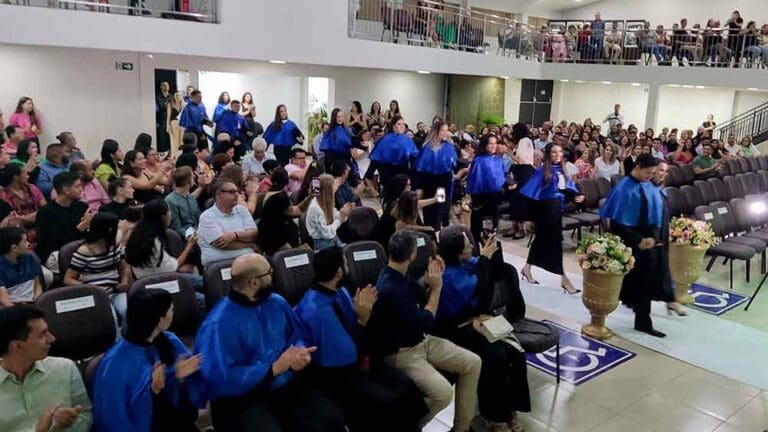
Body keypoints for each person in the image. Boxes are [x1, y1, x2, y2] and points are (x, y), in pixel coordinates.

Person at [192, 253, 346, 432]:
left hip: (286, 381)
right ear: (254, 282)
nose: (273, 275)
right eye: (269, 272)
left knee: (330, 420)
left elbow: (297, 334)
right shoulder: (218, 323)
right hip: (245, 396)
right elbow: (220, 377)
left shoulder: (277, 302)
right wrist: (272, 369)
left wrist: (299, 353)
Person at [294, 247, 426, 432]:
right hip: (336, 374)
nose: (349, 266)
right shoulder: (313, 310)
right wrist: (363, 319)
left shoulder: (339, 291)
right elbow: (344, 352)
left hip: (358, 358)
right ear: (339, 272)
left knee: (407, 387)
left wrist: (363, 315)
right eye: (346, 263)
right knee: (387, 402)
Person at [366, 230, 481, 432]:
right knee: (443, 394)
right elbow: (425, 321)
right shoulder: (391, 288)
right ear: (412, 255)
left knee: (473, 362)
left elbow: (418, 294)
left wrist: (431, 279)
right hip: (403, 353)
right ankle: (409, 425)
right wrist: (437, 289)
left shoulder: (396, 275)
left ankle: (461, 429)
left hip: (422, 341)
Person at [436, 227, 531, 432]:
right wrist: (485, 260)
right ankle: (494, 416)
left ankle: (510, 409)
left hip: (480, 321)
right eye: (467, 245)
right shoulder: (448, 274)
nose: (472, 246)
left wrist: (492, 252)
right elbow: (477, 287)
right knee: (495, 357)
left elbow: (491, 272)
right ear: (457, 253)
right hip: (458, 330)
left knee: (515, 351)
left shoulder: (467, 262)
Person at [92, 289, 202, 432]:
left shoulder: (170, 341)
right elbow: (112, 417)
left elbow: (184, 398)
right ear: (160, 319)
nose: (173, 313)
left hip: (173, 420)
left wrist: (178, 379)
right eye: (171, 310)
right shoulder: (115, 362)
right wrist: (154, 391)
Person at [600, 154, 667, 337]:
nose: (650, 176)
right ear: (637, 167)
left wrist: (652, 237)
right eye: (647, 173)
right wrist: (638, 240)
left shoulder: (647, 185)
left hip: (646, 241)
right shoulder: (623, 188)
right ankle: (599, 318)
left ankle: (643, 321)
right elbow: (618, 221)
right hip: (628, 241)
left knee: (645, 282)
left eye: (652, 173)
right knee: (621, 284)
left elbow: (655, 214)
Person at [0, 305, 92, 431]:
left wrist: (63, 426)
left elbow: (85, 416)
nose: (52, 338)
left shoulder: (65, 368)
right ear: (18, 346)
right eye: (42, 335)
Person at [520, 143, 584, 294]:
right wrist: (528, 218)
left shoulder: (562, 170)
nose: (557, 155)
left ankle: (527, 268)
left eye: (559, 151)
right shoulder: (542, 171)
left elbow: (566, 190)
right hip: (545, 211)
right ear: (548, 154)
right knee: (555, 244)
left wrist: (578, 197)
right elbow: (529, 195)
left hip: (556, 210)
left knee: (541, 241)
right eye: (554, 152)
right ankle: (564, 279)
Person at [63, 212, 131, 319]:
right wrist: (94, 289)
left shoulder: (114, 246)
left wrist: (124, 282)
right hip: (94, 293)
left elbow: (124, 268)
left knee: (129, 311)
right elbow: (68, 279)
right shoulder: (84, 251)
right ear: (110, 230)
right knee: (110, 317)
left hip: (115, 291)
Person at [124, 200, 203, 291]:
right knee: (205, 290)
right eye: (169, 211)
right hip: (161, 283)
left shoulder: (138, 233)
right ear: (163, 216)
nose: (170, 214)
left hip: (150, 280)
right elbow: (173, 267)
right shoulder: (153, 240)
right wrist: (189, 245)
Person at [649, 161, 687, 317]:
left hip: (661, 233)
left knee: (663, 266)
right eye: (661, 170)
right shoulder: (646, 189)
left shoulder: (661, 190)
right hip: (650, 235)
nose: (664, 174)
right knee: (649, 269)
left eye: (666, 171)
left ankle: (669, 300)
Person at [197, 179, 257, 266]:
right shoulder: (207, 217)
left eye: (237, 191)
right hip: (220, 264)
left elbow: (254, 234)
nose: (237, 195)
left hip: (247, 259)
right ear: (219, 194)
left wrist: (235, 235)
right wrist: (249, 244)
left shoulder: (242, 210)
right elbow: (223, 244)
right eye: (232, 192)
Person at [35, 172, 91, 264]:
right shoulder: (46, 213)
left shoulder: (82, 207)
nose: (81, 189)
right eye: (77, 186)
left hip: (81, 251)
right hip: (56, 255)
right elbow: (53, 243)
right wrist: (79, 228)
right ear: (66, 190)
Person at [413, 121, 457, 232]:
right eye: (443, 130)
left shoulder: (449, 147)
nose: (445, 133)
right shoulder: (427, 148)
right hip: (429, 184)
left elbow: (453, 166)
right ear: (436, 132)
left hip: (444, 184)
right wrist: (420, 188)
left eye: (447, 130)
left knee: (440, 210)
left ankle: (438, 232)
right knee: (430, 213)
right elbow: (421, 169)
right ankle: (431, 234)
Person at [467, 134, 507, 246]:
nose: (493, 146)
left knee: (492, 229)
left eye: (495, 143)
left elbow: (502, 177)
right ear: (485, 145)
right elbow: (475, 181)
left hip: (495, 199)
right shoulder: (479, 161)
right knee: (478, 230)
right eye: (490, 143)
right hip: (481, 199)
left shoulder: (498, 160)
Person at [366, 115, 418, 192]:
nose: (402, 126)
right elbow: (377, 156)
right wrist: (370, 173)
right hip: (387, 170)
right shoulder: (385, 139)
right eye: (399, 124)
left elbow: (414, 155)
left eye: (403, 124)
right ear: (393, 126)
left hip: (402, 169)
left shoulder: (408, 140)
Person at [0, 164, 46, 252]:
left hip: (38, 224)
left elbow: (44, 207)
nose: (28, 176)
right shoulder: (4, 194)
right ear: (16, 177)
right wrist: (32, 217)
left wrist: (28, 217)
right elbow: (13, 218)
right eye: (26, 174)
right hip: (18, 230)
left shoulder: (32, 188)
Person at [505, 123, 535, 239]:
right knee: (514, 198)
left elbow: (520, 160)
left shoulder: (525, 141)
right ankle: (514, 226)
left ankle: (522, 228)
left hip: (523, 170)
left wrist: (508, 152)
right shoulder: (520, 142)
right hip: (517, 170)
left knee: (520, 199)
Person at [305, 174, 351, 251]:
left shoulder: (327, 202)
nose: (336, 187)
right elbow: (327, 234)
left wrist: (344, 213)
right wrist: (340, 219)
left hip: (334, 239)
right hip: (322, 244)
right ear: (328, 190)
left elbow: (336, 217)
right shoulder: (315, 208)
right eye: (334, 185)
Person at [0, 227, 43, 307]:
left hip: (32, 304)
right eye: (25, 241)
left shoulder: (30, 258)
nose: (28, 243)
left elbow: (37, 286)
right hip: (12, 308)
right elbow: (4, 300)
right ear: (14, 248)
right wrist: (22, 312)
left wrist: (37, 302)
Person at [165, 166, 203, 239]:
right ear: (187, 181)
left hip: (198, 233)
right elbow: (176, 228)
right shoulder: (170, 201)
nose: (194, 177)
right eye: (192, 175)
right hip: (184, 238)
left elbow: (200, 218)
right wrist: (194, 235)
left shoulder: (191, 198)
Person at [321, 108, 354, 173]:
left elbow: (351, 145)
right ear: (334, 118)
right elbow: (327, 152)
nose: (340, 119)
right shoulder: (329, 132)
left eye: (342, 116)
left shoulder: (348, 130)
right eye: (338, 117)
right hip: (333, 161)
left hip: (346, 159)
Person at [167, 91, 186, 156]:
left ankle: (181, 155)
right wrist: (168, 125)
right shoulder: (171, 104)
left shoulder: (184, 105)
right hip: (174, 123)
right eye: (176, 95)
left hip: (182, 124)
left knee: (182, 141)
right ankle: (175, 156)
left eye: (178, 95)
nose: (177, 97)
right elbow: (168, 115)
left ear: (181, 96)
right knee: (174, 141)